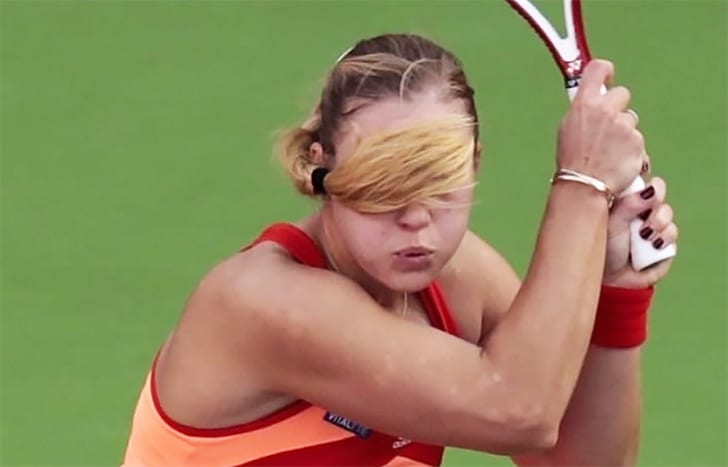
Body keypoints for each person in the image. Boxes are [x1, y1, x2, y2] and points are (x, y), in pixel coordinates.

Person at [122, 33, 678, 466]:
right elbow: (519, 411)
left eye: (439, 179)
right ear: (322, 165)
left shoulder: (461, 280)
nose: (415, 217)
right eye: (383, 182)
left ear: (475, 163)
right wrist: (583, 184)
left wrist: (616, 291)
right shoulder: (262, 302)